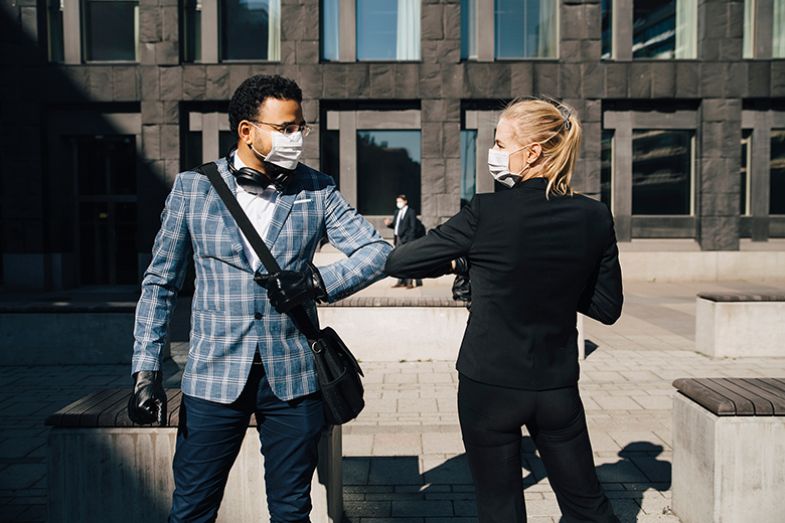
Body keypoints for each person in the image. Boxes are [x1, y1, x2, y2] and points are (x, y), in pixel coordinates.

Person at [128, 74, 391, 522]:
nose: (296, 138)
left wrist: (318, 283)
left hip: (293, 380)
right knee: (191, 509)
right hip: (213, 377)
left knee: (291, 511)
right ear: (247, 131)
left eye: (300, 127)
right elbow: (160, 284)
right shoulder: (193, 188)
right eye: (285, 128)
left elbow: (377, 251)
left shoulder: (317, 188)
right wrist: (145, 370)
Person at [385, 98, 623, 523]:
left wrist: (467, 262)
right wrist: (556, 282)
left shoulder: (487, 211)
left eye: (499, 142)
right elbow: (607, 308)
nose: (493, 152)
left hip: (488, 384)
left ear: (531, 152)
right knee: (588, 505)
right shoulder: (595, 215)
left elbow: (401, 262)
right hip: (556, 387)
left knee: (500, 507)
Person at [383, 194, 420, 288]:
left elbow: (413, 228)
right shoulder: (397, 212)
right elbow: (396, 226)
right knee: (399, 261)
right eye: (397, 201)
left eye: (400, 201)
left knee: (408, 260)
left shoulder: (411, 212)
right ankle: (400, 281)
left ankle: (409, 282)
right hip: (398, 239)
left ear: (405, 201)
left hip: (407, 240)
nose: (398, 203)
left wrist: (409, 241)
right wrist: (389, 224)